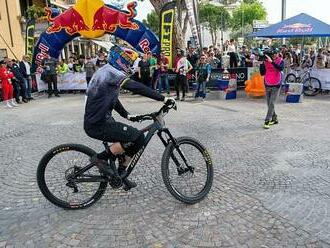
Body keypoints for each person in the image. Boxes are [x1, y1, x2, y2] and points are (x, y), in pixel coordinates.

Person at [84, 46, 175, 189]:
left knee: (129, 142)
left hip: (100, 120)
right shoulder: (110, 72)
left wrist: (126, 115)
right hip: (98, 123)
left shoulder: (105, 71)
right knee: (137, 137)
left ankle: (120, 176)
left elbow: (111, 98)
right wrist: (163, 98)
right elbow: (135, 87)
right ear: (121, 61)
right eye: (129, 62)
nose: (131, 66)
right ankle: (99, 159)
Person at [262, 49, 284, 129]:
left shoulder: (280, 60)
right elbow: (262, 72)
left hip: (276, 84)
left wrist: (272, 62)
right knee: (269, 103)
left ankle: (267, 120)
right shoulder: (266, 61)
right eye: (272, 54)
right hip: (267, 83)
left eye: (275, 54)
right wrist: (261, 64)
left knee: (272, 103)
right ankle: (275, 119)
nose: (274, 55)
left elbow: (280, 68)